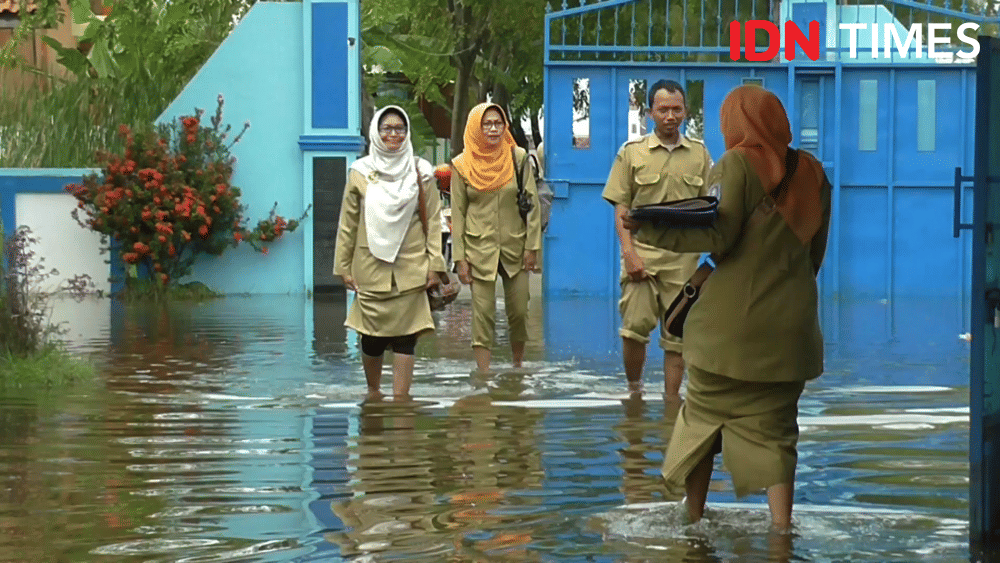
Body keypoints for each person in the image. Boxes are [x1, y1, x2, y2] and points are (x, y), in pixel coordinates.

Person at [624, 84, 832, 530]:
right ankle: (781, 534)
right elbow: (816, 256)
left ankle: (693, 522)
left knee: (702, 421)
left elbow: (717, 234)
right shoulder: (814, 172)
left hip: (728, 336)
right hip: (791, 337)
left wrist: (649, 230)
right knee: (779, 433)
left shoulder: (735, 164)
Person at [601, 80, 713, 400]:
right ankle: (634, 391)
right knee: (634, 328)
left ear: (686, 113)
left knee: (677, 335)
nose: (670, 116)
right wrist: (629, 252)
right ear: (650, 113)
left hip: (683, 260)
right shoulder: (632, 154)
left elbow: (710, 205)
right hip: (643, 255)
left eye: (677, 109)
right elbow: (621, 206)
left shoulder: (699, 155)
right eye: (663, 110)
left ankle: (671, 401)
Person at [334, 105, 448, 400]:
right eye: (387, 129)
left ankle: (401, 402)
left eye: (400, 128)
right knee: (370, 338)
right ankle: (373, 393)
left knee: (405, 339)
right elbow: (348, 222)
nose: (393, 135)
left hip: (412, 264)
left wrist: (434, 264)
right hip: (370, 266)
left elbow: (434, 221)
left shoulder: (422, 172)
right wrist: (343, 266)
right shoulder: (360, 172)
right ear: (376, 132)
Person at [450, 102, 542, 373]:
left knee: (519, 312)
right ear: (476, 127)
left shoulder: (519, 158)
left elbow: (533, 204)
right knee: (483, 315)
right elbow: (458, 214)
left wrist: (532, 246)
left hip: (516, 246)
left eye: (498, 124)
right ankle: (483, 374)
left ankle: (517, 367)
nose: (493, 129)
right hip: (479, 250)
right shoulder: (461, 165)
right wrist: (460, 258)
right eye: (486, 124)